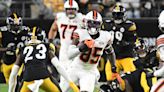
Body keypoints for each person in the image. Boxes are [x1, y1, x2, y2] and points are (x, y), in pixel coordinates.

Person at [60, 10, 120, 92]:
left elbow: (110, 52)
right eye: (91, 23)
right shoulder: (80, 33)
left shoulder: (105, 36)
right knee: (60, 90)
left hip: (89, 71)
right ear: (85, 22)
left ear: (100, 24)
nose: (93, 26)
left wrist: (113, 66)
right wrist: (80, 49)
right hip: (75, 68)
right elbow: (69, 55)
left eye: (96, 23)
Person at [8, 27, 79, 92]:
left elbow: (13, 74)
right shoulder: (46, 46)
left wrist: (10, 91)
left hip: (28, 79)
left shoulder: (22, 49)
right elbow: (58, 66)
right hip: (44, 77)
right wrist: (71, 83)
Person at [102, 3, 137, 81]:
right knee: (110, 79)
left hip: (126, 56)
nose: (117, 17)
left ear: (124, 15)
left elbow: (134, 42)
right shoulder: (107, 24)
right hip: (113, 59)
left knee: (131, 79)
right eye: (115, 14)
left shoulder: (129, 26)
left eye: (119, 14)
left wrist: (126, 44)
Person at [48, 0, 84, 68]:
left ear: (77, 10)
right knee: (64, 72)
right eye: (69, 9)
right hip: (64, 50)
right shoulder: (60, 17)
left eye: (73, 9)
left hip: (77, 49)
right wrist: (50, 41)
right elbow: (53, 29)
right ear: (65, 10)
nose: (70, 11)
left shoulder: (82, 18)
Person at [0, 13, 30, 83]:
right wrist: (6, 49)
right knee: (10, 84)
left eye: (18, 25)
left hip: (18, 61)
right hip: (6, 62)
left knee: (17, 81)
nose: (16, 27)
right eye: (14, 26)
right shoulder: (2, 32)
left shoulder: (26, 31)